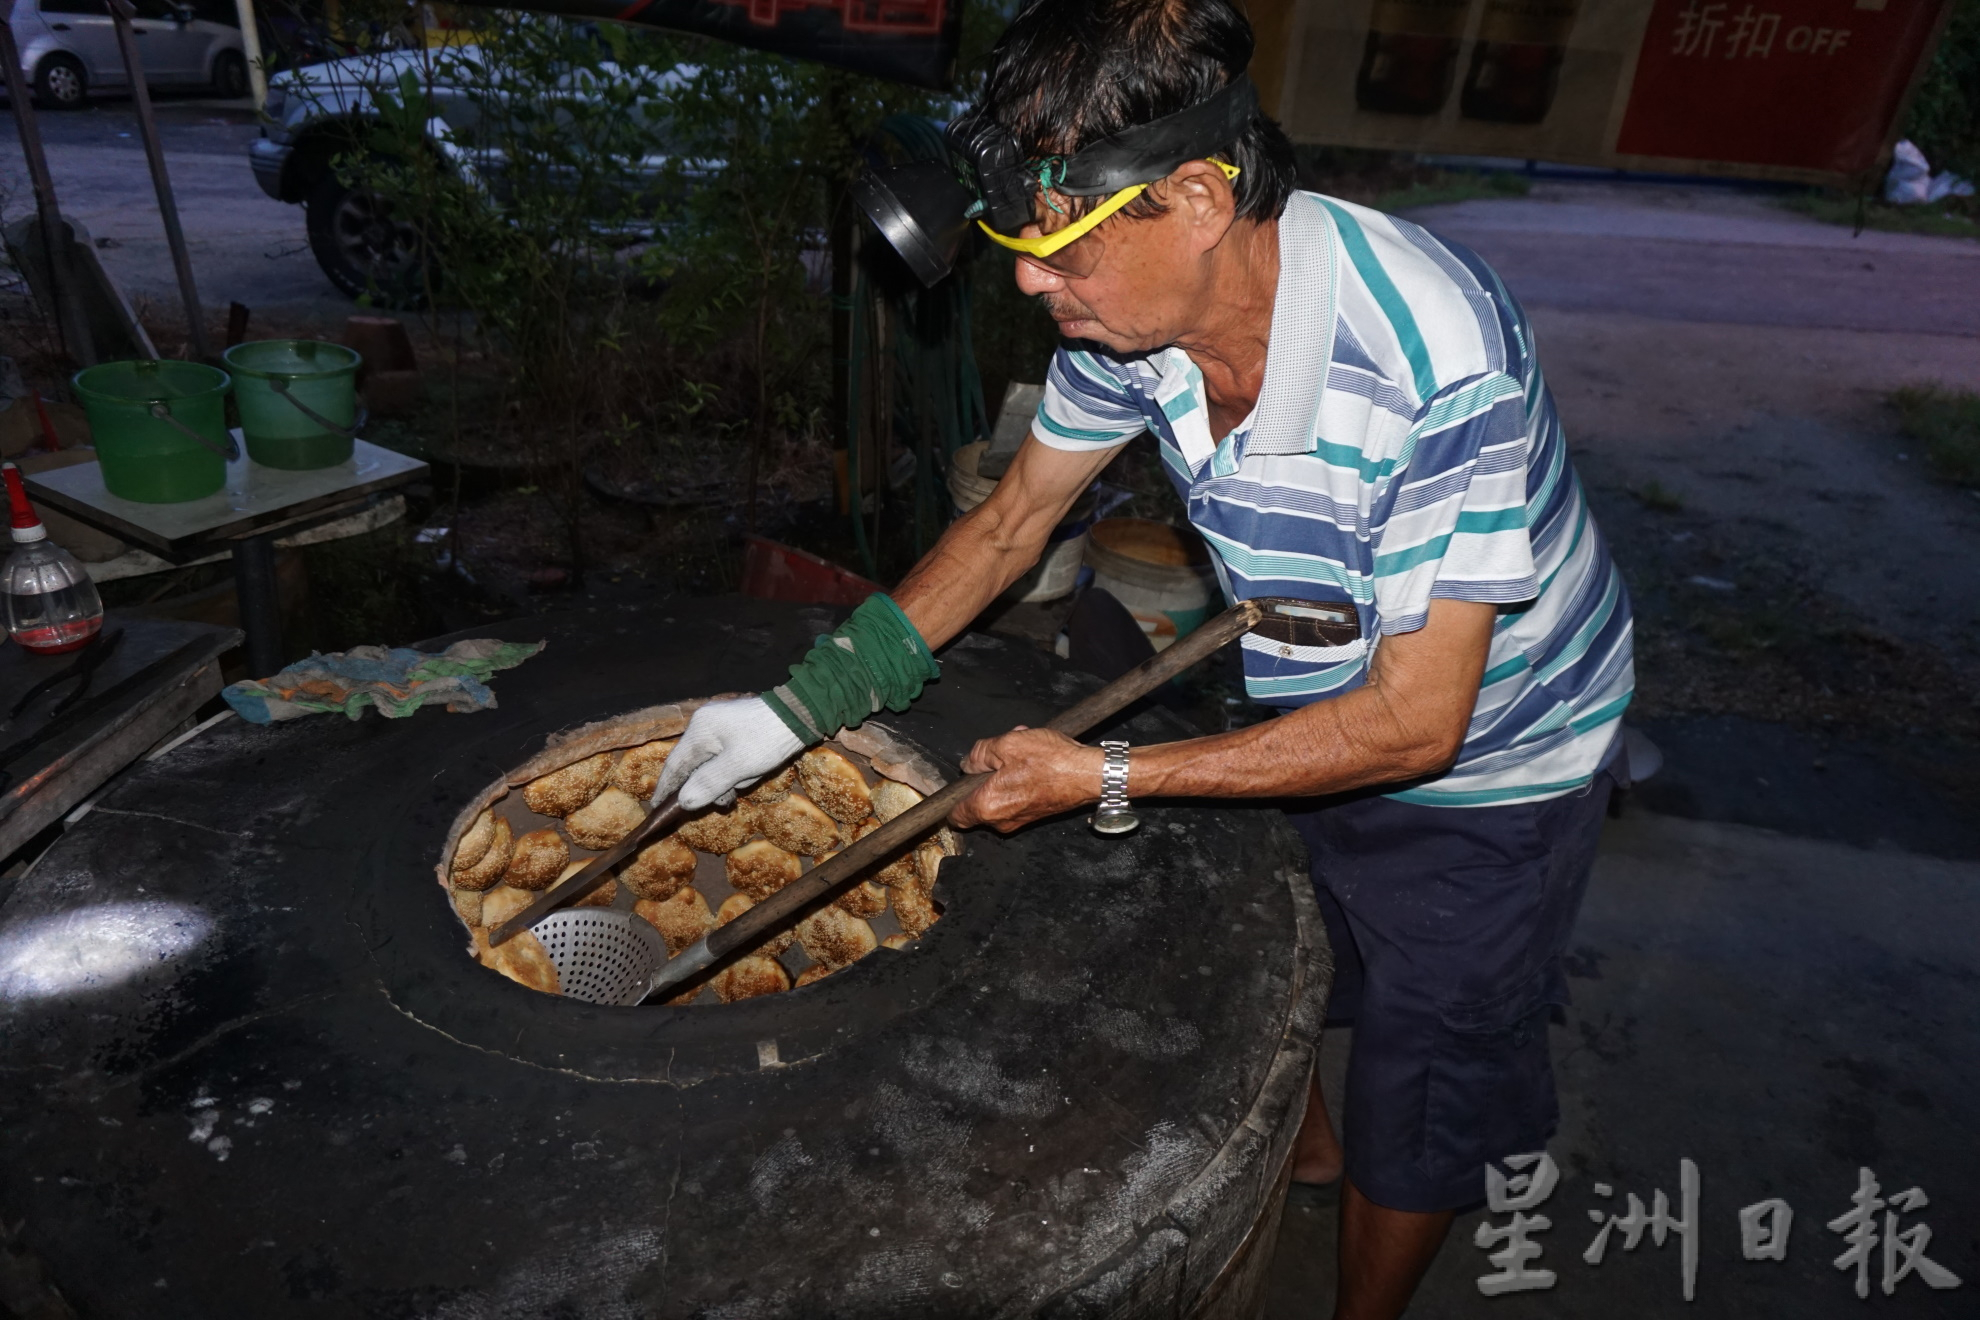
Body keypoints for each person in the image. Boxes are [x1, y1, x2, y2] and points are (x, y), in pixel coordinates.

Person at [655, 2, 1633, 1315]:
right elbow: (1009, 525)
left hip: (1493, 767)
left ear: (1195, 197)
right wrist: (796, 710)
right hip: (1318, 695)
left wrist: (1104, 772)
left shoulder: (1428, 361)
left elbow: (1418, 725)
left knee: (1429, 1077)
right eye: (1016, 247)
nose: (1025, 286)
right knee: (1303, 969)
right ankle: (1309, 1157)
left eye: (1057, 251)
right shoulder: (1133, 330)